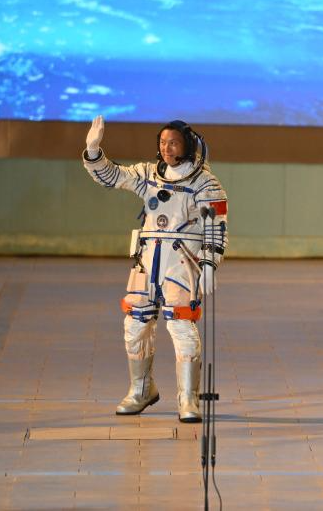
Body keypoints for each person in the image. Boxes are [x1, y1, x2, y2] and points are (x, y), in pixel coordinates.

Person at [82, 116, 228, 423]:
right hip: (147, 261)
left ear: (188, 145)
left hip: (181, 263)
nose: (166, 148)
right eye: (162, 142)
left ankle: (188, 398)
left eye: (173, 143)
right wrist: (94, 152)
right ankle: (141, 389)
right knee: (136, 324)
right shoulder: (148, 175)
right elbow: (113, 176)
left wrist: (209, 264)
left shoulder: (205, 183)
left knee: (182, 327)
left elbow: (216, 226)